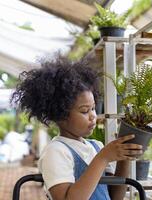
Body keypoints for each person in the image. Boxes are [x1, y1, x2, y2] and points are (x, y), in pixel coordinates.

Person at [11, 55, 143, 200]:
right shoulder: (56, 152)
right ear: (60, 115)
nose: (93, 115)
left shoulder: (96, 147)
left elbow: (114, 196)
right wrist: (103, 158)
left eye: (93, 108)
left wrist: (124, 157)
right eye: (84, 111)